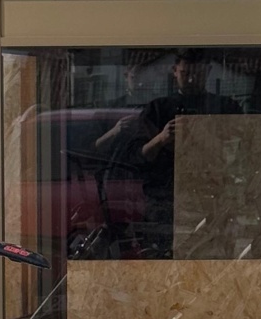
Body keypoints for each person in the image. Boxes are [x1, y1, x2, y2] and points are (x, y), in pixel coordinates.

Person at [96, 50, 237, 256]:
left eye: (197, 73)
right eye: (186, 73)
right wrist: (161, 138)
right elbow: (137, 158)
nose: (191, 79)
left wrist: (207, 136)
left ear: (207, 72)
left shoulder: (225, 108)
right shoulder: (158, 109)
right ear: (174, 71)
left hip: (212, 200)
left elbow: (240, 152)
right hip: (164, 204)